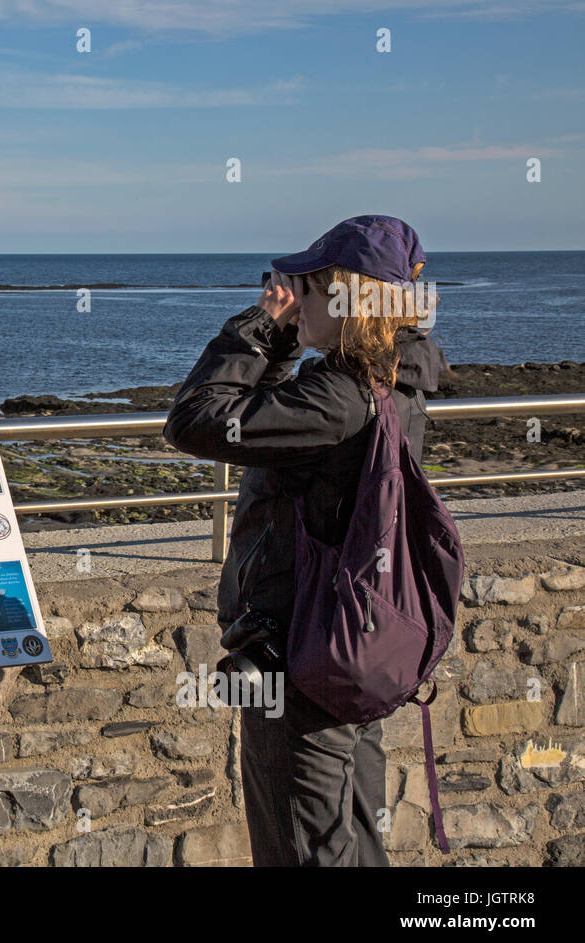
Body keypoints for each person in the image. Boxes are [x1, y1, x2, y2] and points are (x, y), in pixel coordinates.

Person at [163, 215, 441, 866]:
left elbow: (197, 421)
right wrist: (290, 339)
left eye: (305, 289)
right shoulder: (394, 386)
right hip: (352, 649)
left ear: (344, 297)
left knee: (301, 850)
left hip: (301, 668)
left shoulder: (339, 399)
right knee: (352, 840)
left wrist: (263, 326)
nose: (289, 296)